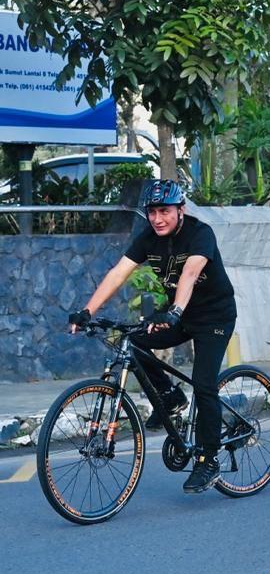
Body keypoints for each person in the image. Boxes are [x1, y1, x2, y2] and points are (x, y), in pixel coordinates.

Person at [67, 180, 237, 494]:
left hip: (214, 316)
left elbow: (189, 273)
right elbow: (119, 272)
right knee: (135, 342)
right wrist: (87, 311)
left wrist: (174, 312)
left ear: (180, 210)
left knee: (203, 383)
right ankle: (170, 398)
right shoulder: (148, 238)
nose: (158, 218)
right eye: (153, 212)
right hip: (178, 313)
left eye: (165, 211)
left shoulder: (201, 234)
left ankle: (208, 458)